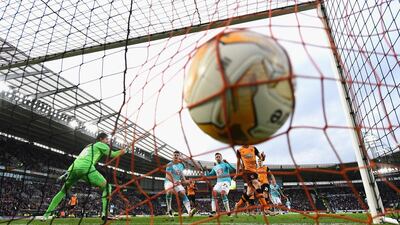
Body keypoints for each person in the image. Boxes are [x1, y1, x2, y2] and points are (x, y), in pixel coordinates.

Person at [40, 132, 126, 222]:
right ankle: (105, 213)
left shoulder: (88, 146)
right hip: (86, 168)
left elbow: (79, 158)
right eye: (106, 139)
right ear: (101, 139)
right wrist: (123, 151)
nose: (108, 141)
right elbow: (113, 154)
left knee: (62, 191)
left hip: (73, 168)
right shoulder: (101, 144)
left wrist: (66, 173)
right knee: (107, 187)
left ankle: (45, 216)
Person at [234, 145, 271, 215]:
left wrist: (263, 156)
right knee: (257, 184)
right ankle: (266, 208)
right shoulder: (239, 150)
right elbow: (238, 162)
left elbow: (261, 158)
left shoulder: (253, 148)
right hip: (246, 171)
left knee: (249, 192)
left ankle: (238, 205)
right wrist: (236, 173)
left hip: (255, 172)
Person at [164, 151, 197, 218]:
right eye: (175, 155)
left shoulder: (181, 165)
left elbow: (182, 176)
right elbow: (167, 176)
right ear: (172, 156)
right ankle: (169, 209)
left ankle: (189, 211)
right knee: (169, 191)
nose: (176, 156)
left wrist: (186, 181)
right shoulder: (169, 164)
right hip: (169, 181)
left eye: (177, 155)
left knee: (182, 193)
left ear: (179, 157)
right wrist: (173, 182)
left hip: (177, 182)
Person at [206, 153, 236, 217]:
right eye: (217, 157)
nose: (218, 158)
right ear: (215, 158)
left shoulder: (225, 164)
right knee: (213, 193)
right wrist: (205, 170)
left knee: (223, 193)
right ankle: (213, 211)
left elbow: (233, 169)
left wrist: (227, 162)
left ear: (221, 157)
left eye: (219, 156)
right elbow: (210, 175)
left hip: (226, 181)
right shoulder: (215, 167)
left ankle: (228, 211)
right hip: (218, 183)